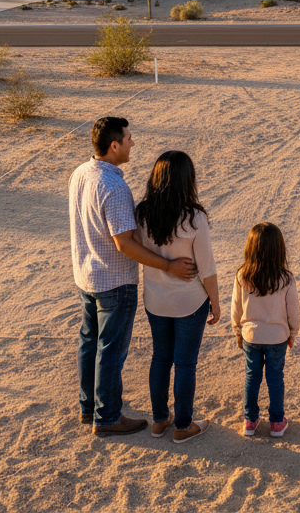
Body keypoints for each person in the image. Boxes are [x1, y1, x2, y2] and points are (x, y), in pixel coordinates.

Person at [70, 117, 198, 438]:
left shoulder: (80, 173)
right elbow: (125, 244)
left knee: (89, 343)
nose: (132, 143)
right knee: (110, 350)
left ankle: (89, 407)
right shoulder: (115, 188)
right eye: (128, 139)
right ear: (114, 146)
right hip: (114, 282)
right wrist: (167, 265)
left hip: (86, 276)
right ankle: (107, 417)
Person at [135, 150, 220, 443]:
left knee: (160, 358)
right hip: (190, 302)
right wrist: (216, 303)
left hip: (155, 300)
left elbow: (138, 251)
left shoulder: (142, 213)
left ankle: (160, 420)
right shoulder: (194, 218)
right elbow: (207, 269)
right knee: (185, 363)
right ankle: (183, 425)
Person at [232, 222, 300, 438]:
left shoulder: (242, 275)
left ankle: (250, 421)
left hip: (251, 336)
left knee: (252, 377)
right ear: (279, 249)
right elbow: (293, 311)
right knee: (275, 378)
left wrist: (237, 331)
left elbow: (236, 307)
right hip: (277, 337)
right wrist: (292, 333)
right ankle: (277, 422)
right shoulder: (286, 278)